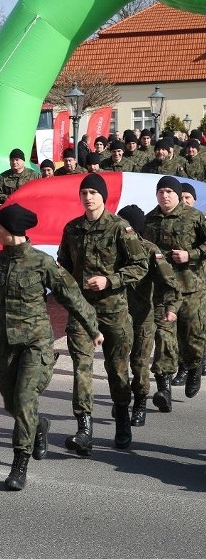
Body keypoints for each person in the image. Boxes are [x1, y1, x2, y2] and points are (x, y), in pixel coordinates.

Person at [0, 204, 101, 490]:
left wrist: (92, 328)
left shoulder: (42, 263)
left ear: (11, 231)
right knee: (12, 404)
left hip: (35, 344)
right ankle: (39, 426)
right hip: (5, 344)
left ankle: (18, 464)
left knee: (24, 400)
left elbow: (70, 294)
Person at [57, 174, 147, 456]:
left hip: (114, 311)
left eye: (94, 192)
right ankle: (84, 429)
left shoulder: (121, 228)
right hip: (82, 311)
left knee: (117, 369)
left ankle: (122, 420)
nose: (88, 197)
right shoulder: (72, 228)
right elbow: (64, 265)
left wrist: (110, 280)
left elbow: (140, 264)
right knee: (81, 367)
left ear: (103, 197)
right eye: (84, 192)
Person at [142, 176, 206, 408]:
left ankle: (194, 367)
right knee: (163, 337)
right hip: (162, 292)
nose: (165, 195)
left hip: (191, 288)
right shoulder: (149, 220)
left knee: (192, 336)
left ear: (178, 194)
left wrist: (192, 255)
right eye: (161, 192)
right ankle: (163, 388)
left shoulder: (195, 217)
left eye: (170, 191)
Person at [115, 204, 180, 427]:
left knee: (139, 363)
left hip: (143, 317)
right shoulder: (112, 250)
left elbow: (170, 282)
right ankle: (122, 400)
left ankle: (140, 403)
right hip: (117, 317)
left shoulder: (150, 250)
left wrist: (171, 308)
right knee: (117, 363)